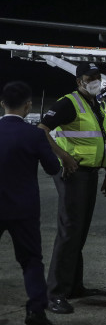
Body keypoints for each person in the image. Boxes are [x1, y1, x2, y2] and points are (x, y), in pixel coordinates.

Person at [40, 62, 106, 315]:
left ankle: (73, 285)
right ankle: (54, 294)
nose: (95, 81)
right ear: (79, 81)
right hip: (72, 174)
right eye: (90, 77)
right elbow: (41, 131)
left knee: (79, 232)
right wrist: (64, 156)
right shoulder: (68, 103)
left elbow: (102, 139)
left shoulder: (95, 104)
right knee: (70, 231)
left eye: (97, 76)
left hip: (90, 173)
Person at [0, 81, 65, 325]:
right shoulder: (34, 135)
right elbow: (53, 168)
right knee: (31, 260)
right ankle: (36, 312)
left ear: (2, 104)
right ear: (28, 106)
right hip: (23, 209)